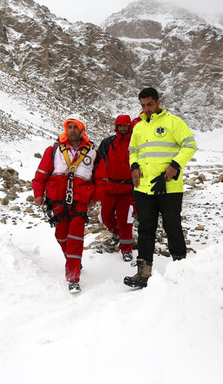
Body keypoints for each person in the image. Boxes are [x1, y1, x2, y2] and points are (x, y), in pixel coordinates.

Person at [124, 87, 197, 288]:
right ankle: (143, 273)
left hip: (169, 187)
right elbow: (133, 150)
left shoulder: (174, 122)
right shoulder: (138, 127)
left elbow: (190, 145)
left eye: (150, 104)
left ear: (158, 102)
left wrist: (175, 165)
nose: (146, 109)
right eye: (143, 105)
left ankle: (181, 269)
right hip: (143, 189)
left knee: (172, 226)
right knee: (146, 229)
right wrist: (135, 166)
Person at [33, 115, 99, 293]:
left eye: (75, 127)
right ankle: (73, 259)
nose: (72, 130)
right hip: (57, 199)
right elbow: (41, 173)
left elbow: (100, 178)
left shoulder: (92, 152)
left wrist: (96, 196)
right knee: (61, 235)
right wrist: (38, 193)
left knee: (75, 237)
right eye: (69, 127)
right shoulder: (53, 150)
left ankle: (73, 277)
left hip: (80, 201)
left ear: (82, 130)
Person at [95, 114, 135, 262]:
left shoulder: (134, 142)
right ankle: (116, 233)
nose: (122, 128)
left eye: (125, 125)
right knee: (105, 216)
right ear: (116, 127)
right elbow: (97, 161)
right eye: (120, 126)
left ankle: (126, 249)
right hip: (110, 187)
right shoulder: (108, 143)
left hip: (127, 188)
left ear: (129, 126)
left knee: (126, 220)